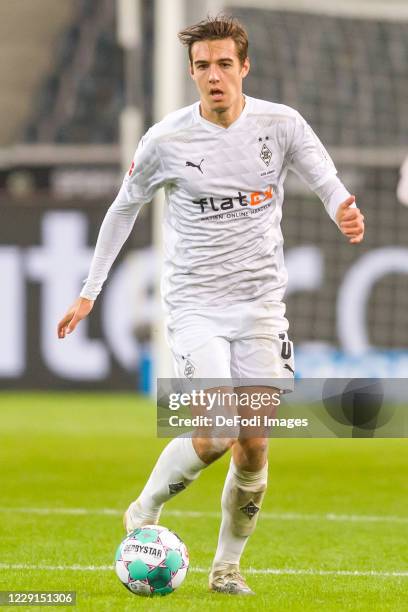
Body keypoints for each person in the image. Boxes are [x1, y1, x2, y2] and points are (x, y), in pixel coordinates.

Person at [57, 16, 364, 595]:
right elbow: (123, 209)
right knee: (217, 431)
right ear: (192, 72)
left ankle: (226, 569)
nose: (214, 76)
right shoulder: (165, 140)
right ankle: (143, 512)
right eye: (203, 66)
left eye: (225, 64)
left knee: (254, 445)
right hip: (196, 305)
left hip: (262, 307)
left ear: (244, 67)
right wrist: (88, 292)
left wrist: (342, 207)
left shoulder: (282, 124)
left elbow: (325, 179)